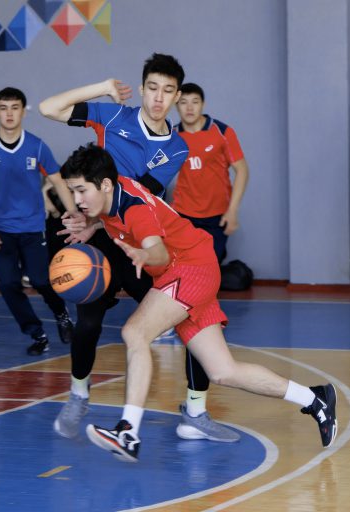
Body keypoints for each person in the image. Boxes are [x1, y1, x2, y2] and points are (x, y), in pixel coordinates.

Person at [59, 144, 337, 462]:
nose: (77, 200)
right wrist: (92, 225)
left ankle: (128, 431)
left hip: (188, 268)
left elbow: (158, 251)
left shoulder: (135, 210)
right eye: (73, 191)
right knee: (222, 371)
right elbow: (116, 217)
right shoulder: (112, 194)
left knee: (134, 333)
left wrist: (144, 254)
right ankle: (315, 398)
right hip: (194, 267)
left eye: (81, 190)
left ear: (105, 184)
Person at [40, 54, 238, 443]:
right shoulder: (113, 115)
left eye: (168, 91)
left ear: (177, 96)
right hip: (102, 243)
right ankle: (78, 394)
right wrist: (103, 88)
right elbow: (49, 108)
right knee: (88, 323)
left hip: (143, 243)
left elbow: (138, 195)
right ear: (142, 88)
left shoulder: (176, 148)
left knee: (191, 318)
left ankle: (196, 410)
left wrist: (92, 220)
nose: (158, 98)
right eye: (152, 88)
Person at [0, 87, 75, 356]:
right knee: (8, 284)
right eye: (3, 108)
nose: (9, 114)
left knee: (41, 281)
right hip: (0, 230)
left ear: (23, 112)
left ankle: (62, 314)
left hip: (32, 228)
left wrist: (75, 214)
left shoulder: (36, 146)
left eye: (14, 108)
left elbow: (58, 182)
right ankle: (37, 333)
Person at [172, 83, 249, 263]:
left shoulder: (222, 132)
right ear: (176, 105)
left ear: (203, 104)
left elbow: (242, 170)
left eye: (195, 102)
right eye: (183, 102)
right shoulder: (171, 136)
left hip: (217, 214)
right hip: (183, 213)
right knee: (185, 264)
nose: (189, 107)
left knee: (211, 265)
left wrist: (232, 211)